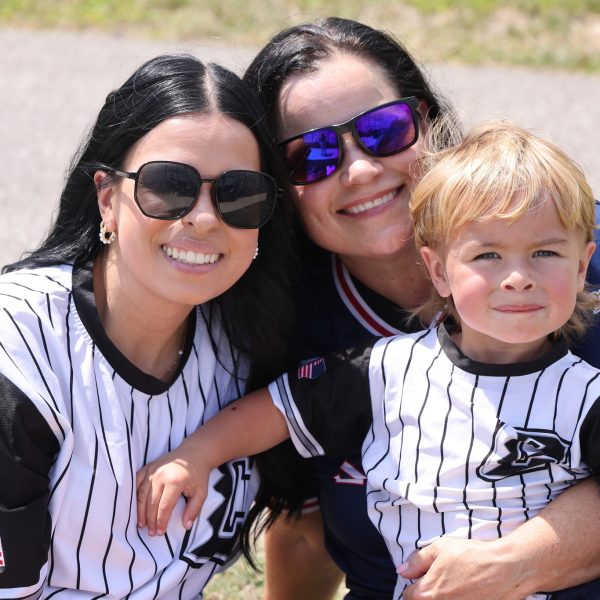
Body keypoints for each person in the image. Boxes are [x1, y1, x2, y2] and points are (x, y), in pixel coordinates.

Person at [135, 119, 600, 600]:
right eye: (487, 256)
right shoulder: (383, 369)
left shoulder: (589, 396)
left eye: (545, 252)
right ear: (439, 272)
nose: (519, 278)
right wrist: (197, 456)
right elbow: (279, 408)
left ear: (583, 264)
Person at [238, 16, 600, 600]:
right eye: (313, 155)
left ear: (428, 123)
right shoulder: (286, 324)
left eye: (384, 130)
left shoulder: (575, 252)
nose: (359, 169)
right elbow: (306, 532)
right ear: (277, 186)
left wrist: (514, 562)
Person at [0, 53, 293, 598]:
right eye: (169, 185)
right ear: (108, 199)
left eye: (239, 193)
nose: (204, 218)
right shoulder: (18, 347)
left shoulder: (244, 339)